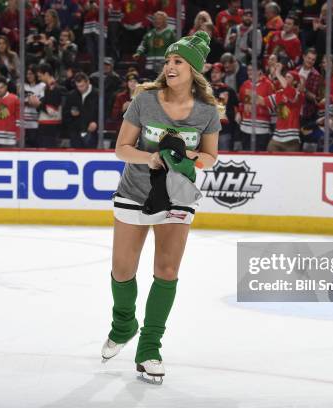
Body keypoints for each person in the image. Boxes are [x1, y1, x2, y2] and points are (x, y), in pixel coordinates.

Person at [101, 31, 221, 384]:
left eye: (178, 61)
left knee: (166, 270)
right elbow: (122, 148)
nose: (169, 66)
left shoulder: (206, 112)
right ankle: (123, 325)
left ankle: (149, 348)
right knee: (122, 270)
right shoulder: (145, 100)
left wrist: (188, 157)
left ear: (194, 71)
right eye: (168, 60)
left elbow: (212, 158)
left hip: (178, 195)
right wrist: (152, 156)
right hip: (135, 191)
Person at [28, 63, 64, 148]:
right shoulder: (48, 88)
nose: (39, 78)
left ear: (47, 74)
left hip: (50, 127)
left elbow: (52, 111)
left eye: (40, 76)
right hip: (47, 126)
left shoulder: (53, 89)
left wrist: (38, 104)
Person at [133, 11, 176, 76]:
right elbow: (142, 45)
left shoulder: (170, 33)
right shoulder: (149, 34)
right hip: (150, 64)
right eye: (155, 19)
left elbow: (175, 48)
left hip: (164, 63)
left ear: (164, 21)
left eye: (159, 19)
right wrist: (138, 53)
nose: (157, 21)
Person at [63, 72, 98, 148]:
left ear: (88, 82)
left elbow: (104, 112)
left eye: (82, 86)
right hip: (75, 134)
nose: (80, 89)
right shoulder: (71, 95)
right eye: (78, 86)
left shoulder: (97, 94)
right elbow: (65, 113)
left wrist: (96, 123)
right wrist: (70, 114)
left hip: (92, 133)